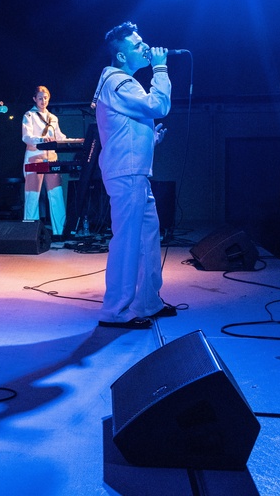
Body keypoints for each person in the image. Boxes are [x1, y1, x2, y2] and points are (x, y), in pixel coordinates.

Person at [92, 21, 175, 329]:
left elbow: (123, 128)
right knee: (128, 241)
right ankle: (115, 311)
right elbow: (159, 104)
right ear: (123, 56)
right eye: (137, 44)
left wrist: (150, 139)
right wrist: (161, 68)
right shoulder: (119, 81)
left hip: (134, 172)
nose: (145, 47)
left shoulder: (122, 82)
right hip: (127, 174)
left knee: (147, 237)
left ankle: (148, 302)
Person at [21, 86, 76, 238]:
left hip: (51, 158)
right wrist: (42, 139)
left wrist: (74, 140)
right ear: (34, 99)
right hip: (34, 157)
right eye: (40, 98)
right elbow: (26, 137)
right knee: (32, 197)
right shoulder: (29, 116)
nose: (43, 101)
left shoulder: (53, 118)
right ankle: (29, 235)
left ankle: (61, 232)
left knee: (56, 196)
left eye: (45, 98)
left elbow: (59, 136)